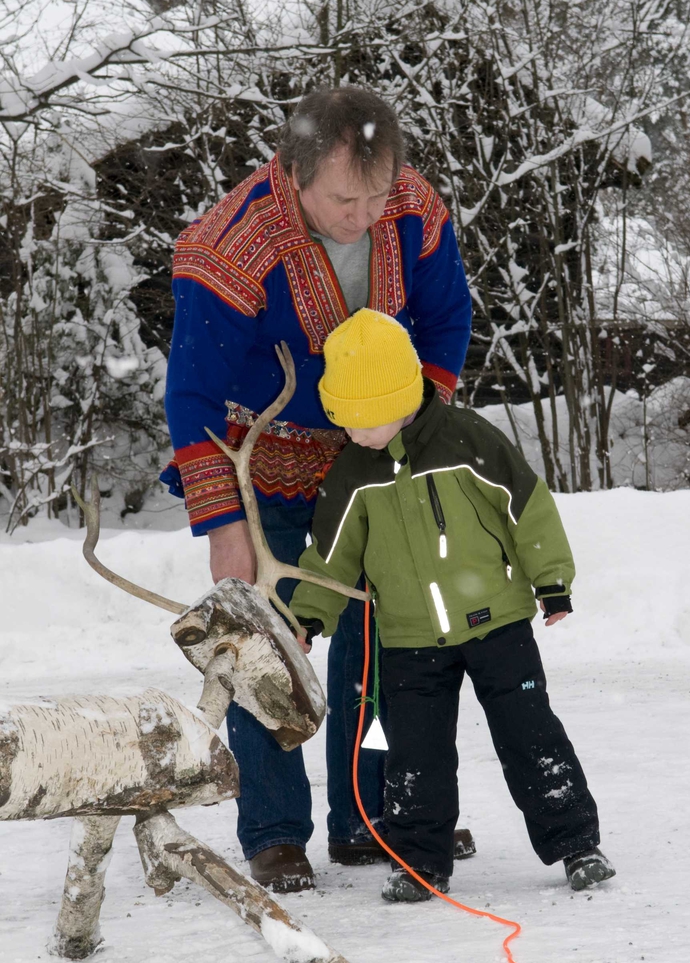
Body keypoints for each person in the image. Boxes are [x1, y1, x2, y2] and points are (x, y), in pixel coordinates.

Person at [160, 85, 475, 892]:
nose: (364, 213)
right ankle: (274, 832)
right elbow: (191, 399)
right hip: (259, 466)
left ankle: (366, 818)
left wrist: (418, 423)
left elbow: (444, 320)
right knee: (269, 646)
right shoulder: (226, 251)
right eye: (343, 198)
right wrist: (223, 523)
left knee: (379, 636)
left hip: (368, 461)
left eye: (376, 193)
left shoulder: (412, 208)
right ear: (293, 172)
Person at [290, 310, 615, 902]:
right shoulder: (353, 472)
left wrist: (552, 582)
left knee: (530, 734)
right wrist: (310, 616)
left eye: (362, 422)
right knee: (413, 754)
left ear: (400, 398)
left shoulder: (469, 441)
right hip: (410, 640)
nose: (354, 434)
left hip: (498, 624)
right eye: (345, 421)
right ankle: (419, 863)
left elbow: (527, 507)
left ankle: (577, 845)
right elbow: (330, 554)